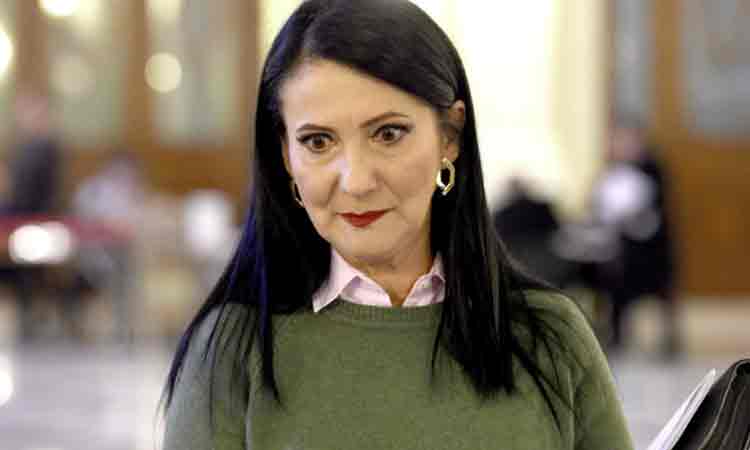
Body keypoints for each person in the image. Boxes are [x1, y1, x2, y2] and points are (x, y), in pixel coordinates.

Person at [161, 1, 634, 449]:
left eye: (388, 134)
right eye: (318, 141)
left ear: (449, 135)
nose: (357, 181)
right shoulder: (229, 352)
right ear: (286, 155)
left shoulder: (551, 336)